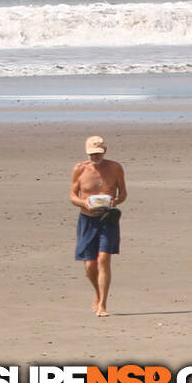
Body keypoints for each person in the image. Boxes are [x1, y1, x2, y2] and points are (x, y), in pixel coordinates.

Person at [69, 135, 128, 317]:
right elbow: (72, 195)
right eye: (92, 154)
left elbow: (123, 193)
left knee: (103, 259)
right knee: (90, 265)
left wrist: (114, 202)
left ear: (105, 151)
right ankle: (97, 293)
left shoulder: (115, 168)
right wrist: (83, 203)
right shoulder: (80, 169)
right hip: (87, 219)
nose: (95, 157)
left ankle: (103, 304)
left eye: (98, 154)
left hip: (107, 219)